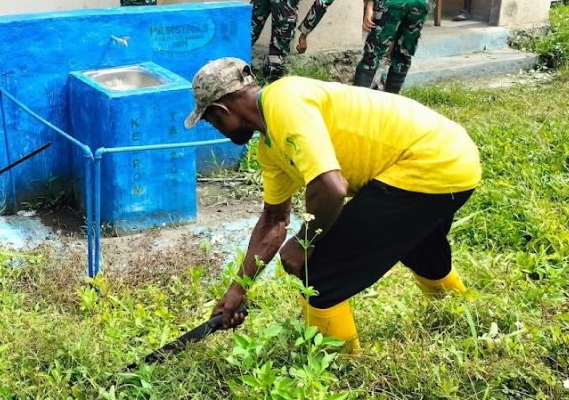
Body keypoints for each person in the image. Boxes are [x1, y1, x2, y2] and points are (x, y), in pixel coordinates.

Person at [183, 57, 481, 353]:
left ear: (222, 110)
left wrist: (303, 242)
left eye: (210, 121)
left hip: (429, 161)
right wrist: (238, 289)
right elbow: (273, 220)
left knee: (319, 274)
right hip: (453, 158)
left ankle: (339, 368)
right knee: (420, 247)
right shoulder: (270, 145)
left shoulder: (283, 100)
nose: (216, 129)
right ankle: (462, 317)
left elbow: (331, 188)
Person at [354, 0, 434, 93]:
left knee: (373, 52)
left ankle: (357, 98)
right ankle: (392, 98)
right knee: (404, 53)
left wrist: (369, 10)